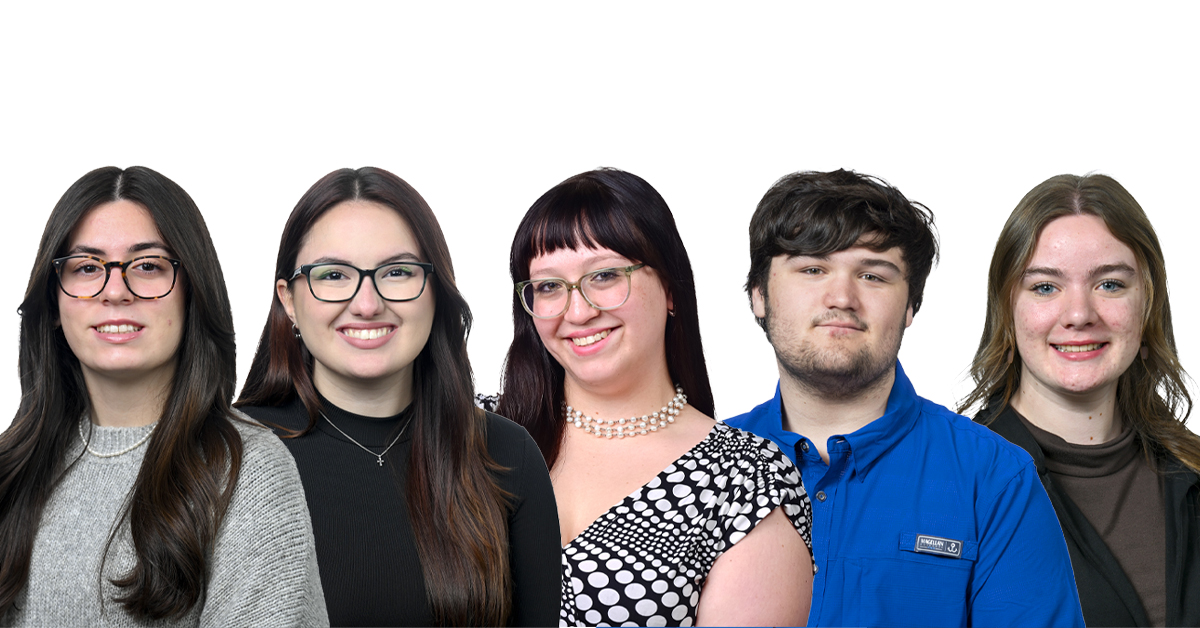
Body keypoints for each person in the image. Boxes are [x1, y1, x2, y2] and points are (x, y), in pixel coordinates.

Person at [725, 169, 1084, 627]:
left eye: (873, 275)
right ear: (759, 295)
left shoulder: (995, 479)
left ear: (911, 305)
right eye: (812, 269)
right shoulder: (693, 466)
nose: (842, 297)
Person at [486, 168, 813, 627]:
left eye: (604, 276)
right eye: (548, 286)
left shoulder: (744, 480)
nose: (577, 312)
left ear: (671, 288)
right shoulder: (477, 440)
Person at [0, 166, 326, 626]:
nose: (115, 291)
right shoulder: (11, 470)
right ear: (53, 303)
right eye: (87, 267)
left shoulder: (247, 470)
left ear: (191, 293)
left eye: (148, 266)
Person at [235, 167, 560, 627]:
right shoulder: (228, 454)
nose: (367, 303)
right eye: (333, 275)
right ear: (289, 300)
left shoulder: (507, 456)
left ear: (435, 291)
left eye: (398, 272)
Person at [960, 173, 1200, 626]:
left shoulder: (1193, 475)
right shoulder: (955, 484)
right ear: (1007, 313)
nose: (1078, 315)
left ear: (1147, 307)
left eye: (1109, 284)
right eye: (1045, 287)